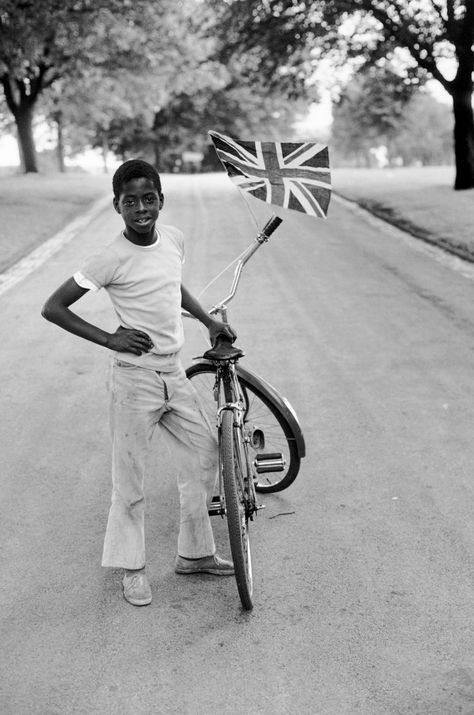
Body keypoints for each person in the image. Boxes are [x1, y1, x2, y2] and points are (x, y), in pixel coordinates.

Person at [42, 159, 237, 607]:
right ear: (117, 206)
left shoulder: (173, 239)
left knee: (205, 452)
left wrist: (208, 320)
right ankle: (132, 570)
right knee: (130, 478)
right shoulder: (109, 258)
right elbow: (54, 307)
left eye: (149, 198)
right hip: (134, 380)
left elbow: (172, 284)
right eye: (131, 201)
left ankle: (195, 554)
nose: (141, 208)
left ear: (161, 201)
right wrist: (110, 337)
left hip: (174, 372)